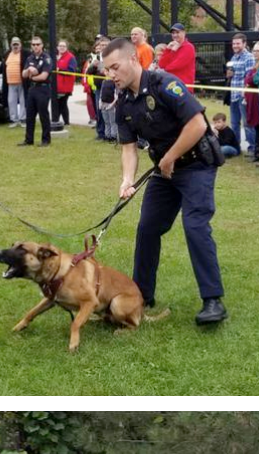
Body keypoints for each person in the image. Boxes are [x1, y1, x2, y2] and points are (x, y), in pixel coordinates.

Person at [102, 37, 227, 325]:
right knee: (147, 228)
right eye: (107, 70)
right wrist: (127, 180)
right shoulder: (124, 104)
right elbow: (128, 148)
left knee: (195, 225)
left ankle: (212, 301)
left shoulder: (164, 84)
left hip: (197, 164)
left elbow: (197, 124)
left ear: (134, 60)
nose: (111, 75)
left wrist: (169, 157)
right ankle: (141, 294)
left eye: (115, 67)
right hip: (165, 170)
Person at [19, 35, 52, 147]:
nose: (35, 46)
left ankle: (46, 140)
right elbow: (23, 74)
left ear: (42, 45)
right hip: (32, 89)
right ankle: (29, 140)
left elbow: (44, 76)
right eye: (33, 44)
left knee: (43, 115)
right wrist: (28, 70)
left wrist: (32, 76)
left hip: (43, 88)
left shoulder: (46, 58)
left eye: (38, 44)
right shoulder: (30, 58)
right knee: (30, 115)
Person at [227, 34, 255, 154]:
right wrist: (228, 75)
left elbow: (249, 77)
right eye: (234, 43)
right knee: (234, 123)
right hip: (233, 94)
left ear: (244, 43)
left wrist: (245, 94)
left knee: (247, 123)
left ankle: (252, 148)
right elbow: (233, 76)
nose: (235, 46)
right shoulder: (234, 57)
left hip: (243, 96)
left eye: (238, 43)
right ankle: (236, 147)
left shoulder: (249, 57)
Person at [0, 37, 27, 126]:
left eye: (17, 44)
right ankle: (14, 120)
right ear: (11, 45)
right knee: (11, 101)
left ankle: (23, 119)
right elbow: (2, 67)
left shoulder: (25, 53)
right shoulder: (7, 54)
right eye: (14, 45)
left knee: (23, 101)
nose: (15, 46)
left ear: (20, 44)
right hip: (10, 83)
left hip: (22, 82)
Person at [159, 23, 196, 89]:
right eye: (173, 33)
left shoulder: (189, 47)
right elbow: (161, 64)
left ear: (184, 33)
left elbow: (177, 65)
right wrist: (167, 49)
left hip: (183, 86)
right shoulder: (171, 47)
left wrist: (163, 70)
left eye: (177, 32)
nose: (175, 35)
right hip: (171, 84)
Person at [56, 39, 77, 126]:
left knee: (63, 104)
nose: (61, 48)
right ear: (57, 47)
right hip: (56, 86)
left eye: (63, 46)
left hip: (65, 86)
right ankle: (56, 120)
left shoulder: (70, 57)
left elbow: (71, 70)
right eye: (60, 46)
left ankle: (66, 122)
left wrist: (60, 70)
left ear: (66, 47)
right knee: (57, 104)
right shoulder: (55, 57)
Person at [244, 42, 259, 165]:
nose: (255, 53)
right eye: (254, 50)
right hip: (254, 101)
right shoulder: (255, 65)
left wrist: (251, 78)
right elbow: (248, 79)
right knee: (256, 127)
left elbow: (254, 79)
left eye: (257, 51)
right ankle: (257, 154)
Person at [100, 75, 118, 141]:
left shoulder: (115, 83)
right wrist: (100, 103)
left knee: (112, 121)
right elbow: (101, 93)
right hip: (103, 104)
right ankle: (107, 135)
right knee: (106, 121)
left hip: (111, 104)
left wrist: (112, 104)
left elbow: (117, 95)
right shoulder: (104, 82)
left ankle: (113, 136)